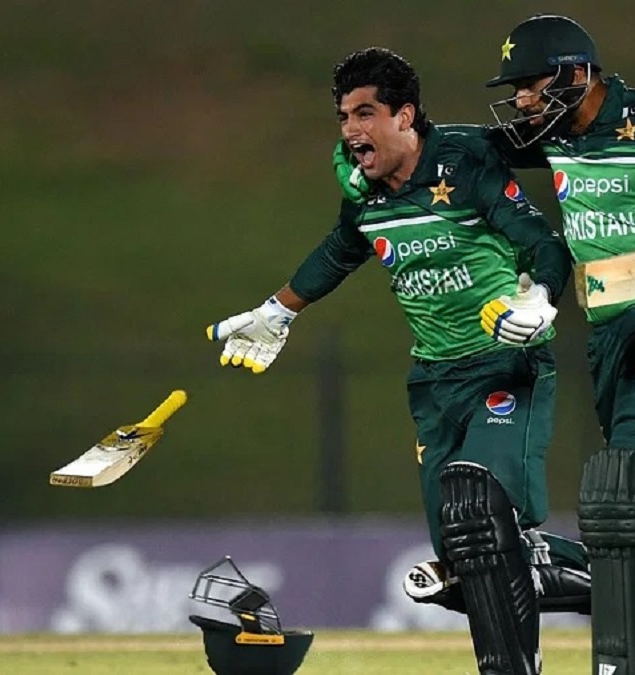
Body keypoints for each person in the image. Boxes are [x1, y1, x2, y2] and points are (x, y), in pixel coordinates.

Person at [334, 15, 635, 675]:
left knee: (622, 494)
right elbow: (457, 146)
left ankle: (593, 622)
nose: (521, 101)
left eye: (530, 86)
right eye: (515, 90)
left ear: (575, 75)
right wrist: (372, 162)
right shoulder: (553, 134)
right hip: (610, 339)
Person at [207, 47, 575, 675]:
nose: (350, 130)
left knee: (479, 509)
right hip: (433, 382)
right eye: (343, 117)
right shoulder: (365, 189)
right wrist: (278, 311)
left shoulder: (463, 162)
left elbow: (543, 241)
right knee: (461, 565)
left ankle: (621, 580)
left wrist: (540, 297)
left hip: (504, 366)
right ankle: (617, 577)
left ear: (405, 115)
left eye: (364, 114)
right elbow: (341, 249)